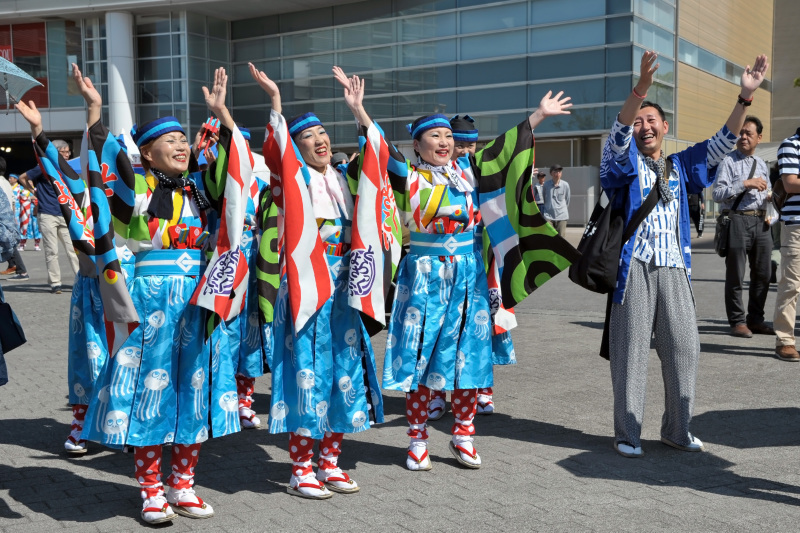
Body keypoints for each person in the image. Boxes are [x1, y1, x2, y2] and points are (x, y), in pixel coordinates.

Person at [19, 64, 252, 524]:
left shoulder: (201, 192)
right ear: (146, 154)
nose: (183, 146)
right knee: (150, 392)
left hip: (198, 302)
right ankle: (150, 489)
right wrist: (94, 112)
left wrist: (223, 117)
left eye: (185, 140)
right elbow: (99, 172)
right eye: (171, 141)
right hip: (151, 303)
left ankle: (182, 484)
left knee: (194, 392)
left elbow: (234, 175)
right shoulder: (136, 194)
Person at [379, 90, 576, 472]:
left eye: (447, 136)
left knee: (470, 358)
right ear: (417, 146)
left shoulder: (470, 173)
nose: (444, 142)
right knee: (422, 359)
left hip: (468, 276)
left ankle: (463, 434)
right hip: (423, 277)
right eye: (434, 137)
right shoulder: (408, 177)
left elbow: (505, 150)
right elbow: (377, 149)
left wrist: (537, 115)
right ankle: (417, 438)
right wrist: (358, 114)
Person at [600, 50, 768, 458]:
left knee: (684, 347)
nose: (644, 126)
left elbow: (722, 142)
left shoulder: (680, 165)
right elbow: (618, 135)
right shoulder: (622, 164)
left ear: (665, 127)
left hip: (675, 266)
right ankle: (628, 432)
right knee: (631, 351)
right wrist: (640, 91)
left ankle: (677, 429)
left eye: (651, 120)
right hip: (634, 267)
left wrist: (744, 97)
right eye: (639, 120)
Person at [248, 63, 386, 499]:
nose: (319, 140)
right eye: (307, 137)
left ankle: (331, 462)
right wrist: (275, 103)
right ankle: (301, 467)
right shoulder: (292, 178)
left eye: (323, 133)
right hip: (307, 288)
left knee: (342, 374)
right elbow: (275, 154)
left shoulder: (345, 179)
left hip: (344, 288)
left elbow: (381, 161)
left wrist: (358, 111)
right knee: (305, 374)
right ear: (296, 147)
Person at [426, 114, 516, 420]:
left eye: (470, 144)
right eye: (459, 143)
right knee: (440, 330)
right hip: (443, 267)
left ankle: (482, 389)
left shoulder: (484, 172)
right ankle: (437, 392)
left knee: (483, 328)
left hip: (483, 263)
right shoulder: (435, 173)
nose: (464, 150)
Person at [712, 116, 773, 338]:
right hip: (737, 220)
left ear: (759, 138)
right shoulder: (728, 161)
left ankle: (756, 319)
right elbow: (717, 194)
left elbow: (766, 193)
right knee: (736, 275)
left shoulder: (761, 165)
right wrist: (746, 183)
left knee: (764, 274)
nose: (743, 137)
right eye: (741, 133)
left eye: (748, 133)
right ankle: (737, 321)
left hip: (762, 222)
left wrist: (770, 202)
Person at [18, 140, 79, 293]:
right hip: (47, 213)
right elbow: (23, 177)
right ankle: (55, 283)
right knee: (52, 251)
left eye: (68, 152)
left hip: (65, 213)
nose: (67, 154)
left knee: (74, 249)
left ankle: (80, 279)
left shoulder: (68, 168)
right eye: (64, 152)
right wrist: (33, 191)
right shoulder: (44, 166)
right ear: (56, 152)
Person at [773, 126, 800, 361]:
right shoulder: (791, 145)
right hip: (796, 225)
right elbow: (791, 183)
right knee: (791, 284)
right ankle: (785, 340)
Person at [0, 167, 29, 280]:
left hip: (3, 219)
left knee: (9, 244)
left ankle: (22, 271)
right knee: (8, 243)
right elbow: (12, 200)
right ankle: (13, 266)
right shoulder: (6, 183)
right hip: (8, 217)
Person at [542, 164, 570, 238]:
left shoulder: (565, 185)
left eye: (559, 172)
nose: (557, 174)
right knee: (549, 236)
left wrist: (562, 209)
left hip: (562, 216)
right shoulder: (546, 185)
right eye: (555, 171)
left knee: (561, 238)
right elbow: (544, 197)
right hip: (548, 215)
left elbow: (567, 199)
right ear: (551, 173)